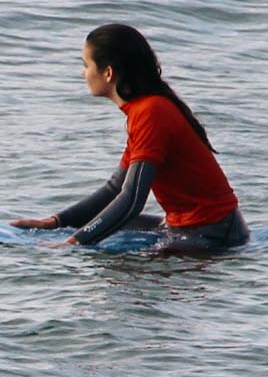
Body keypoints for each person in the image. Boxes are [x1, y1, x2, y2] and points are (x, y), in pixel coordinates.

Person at [13, 24, 248, 256]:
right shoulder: (144, 110)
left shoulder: (151, 112)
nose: (83, 73)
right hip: (189, 227)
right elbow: (115, 188)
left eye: (86, 65)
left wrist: (75, 243)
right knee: (102, 229)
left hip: (213, 235)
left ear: (108, 73)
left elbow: (132, 199)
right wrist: (56, 222)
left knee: (123, 270)